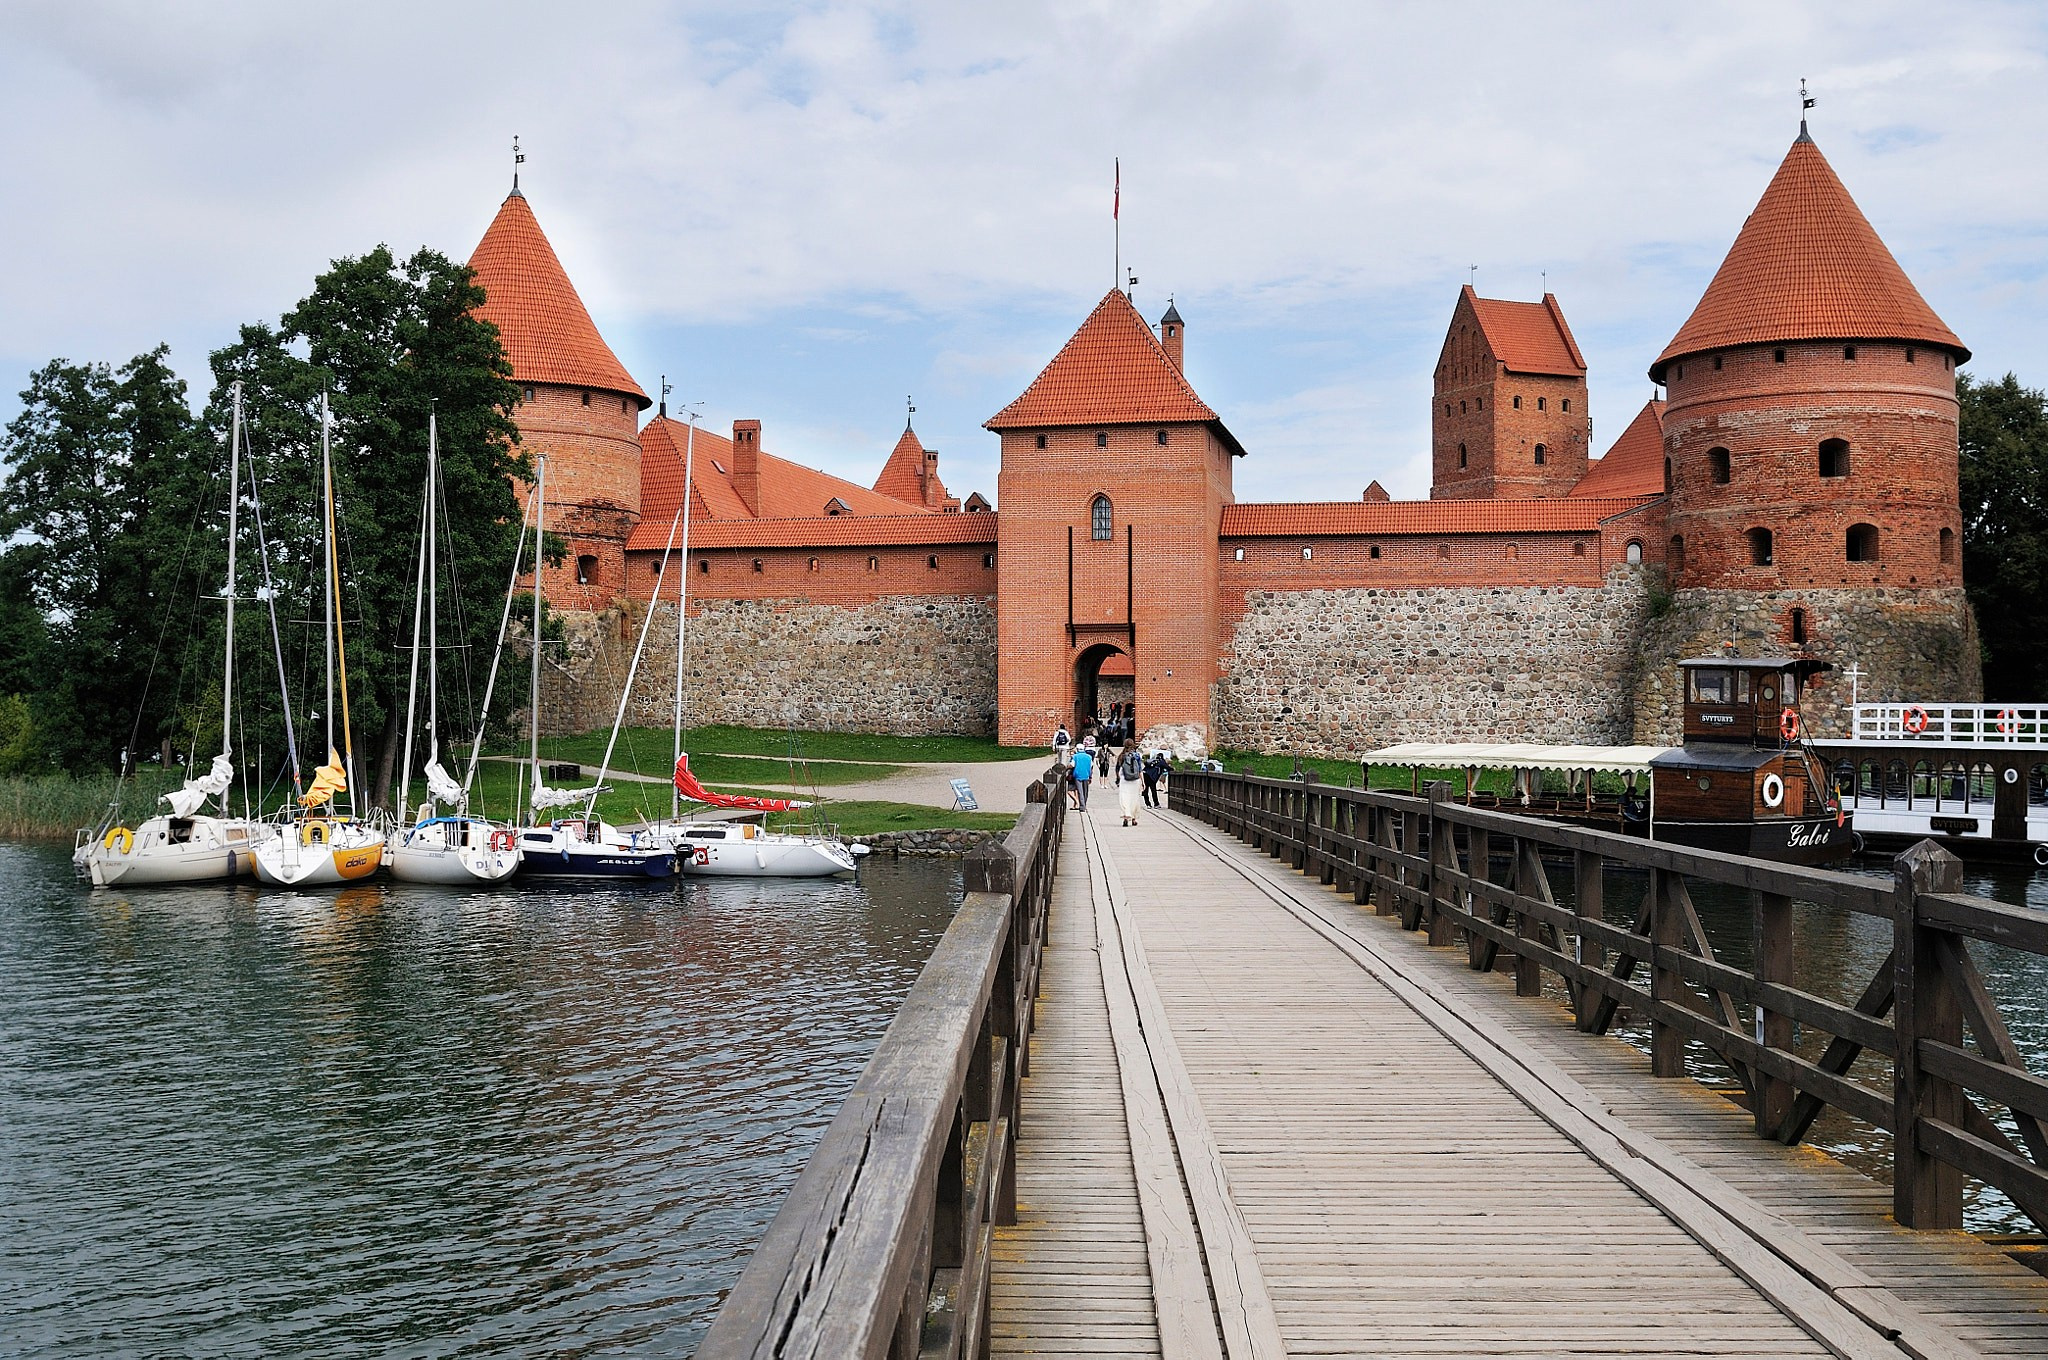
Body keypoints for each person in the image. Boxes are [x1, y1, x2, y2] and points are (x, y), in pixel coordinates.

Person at [1114, 740, 1145, 826]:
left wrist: (1118, 779)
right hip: (1135, 780)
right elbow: (1139, 770)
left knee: (1125, 799)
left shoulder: (1121, 756)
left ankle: (1126, 817)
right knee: (1134, 799)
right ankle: (1134, 819)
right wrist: (1143, 782)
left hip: (1124, 780)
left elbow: (1117, 769)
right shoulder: (1137, 756)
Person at [1070, 744, 1094, 811]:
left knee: (1080, 791)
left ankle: (1082, 806)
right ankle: (1084, 804)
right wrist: (1090, 776)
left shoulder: (1075, 756)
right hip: (1086, 775)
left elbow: (1072, 765)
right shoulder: (1089, 757)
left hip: (1078, 775)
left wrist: (1067, 767)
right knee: (1085, 791)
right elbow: (1091, 766)